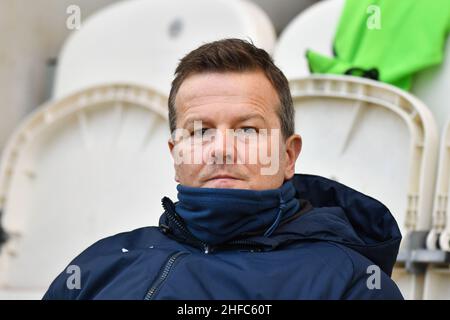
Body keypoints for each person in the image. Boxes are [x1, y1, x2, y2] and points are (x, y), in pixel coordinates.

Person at [43, 39, 403, 300]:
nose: (222, 150)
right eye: (200, 131)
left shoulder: (351, 284)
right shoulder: (97, 266)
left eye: (248, 130)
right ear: (175, 155)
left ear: (289, 156)